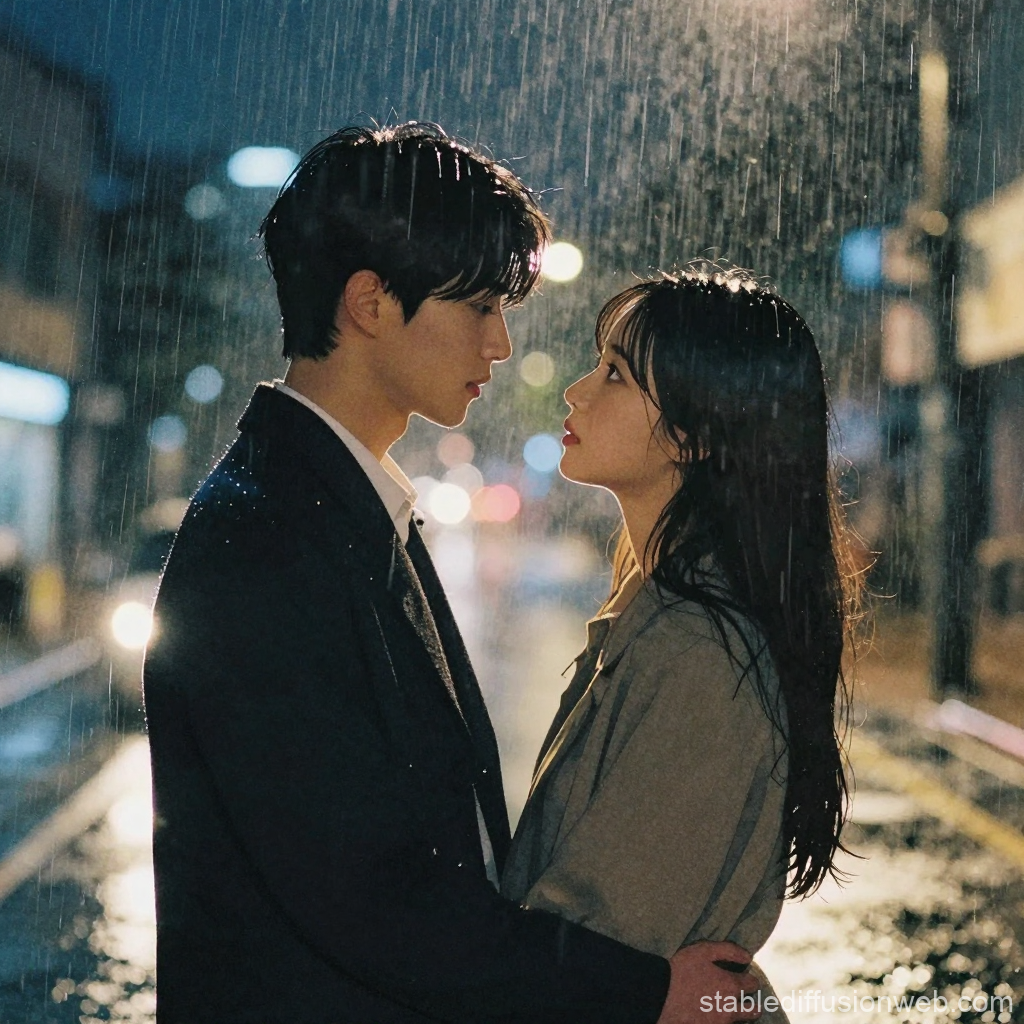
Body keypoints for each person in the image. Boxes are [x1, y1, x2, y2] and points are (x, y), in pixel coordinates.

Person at [142, 125, 761, 1024]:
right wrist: (648, 992)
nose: (500, 345)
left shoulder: (335, 508)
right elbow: (375, 904)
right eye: (478, 307)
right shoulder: (266, 540)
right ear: (369, 303)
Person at [503, 267, 858, 1024]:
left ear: (695, 434)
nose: (576, 392)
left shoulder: (702, 655)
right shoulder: (656, 610)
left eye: (615, 374)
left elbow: (609, 938)